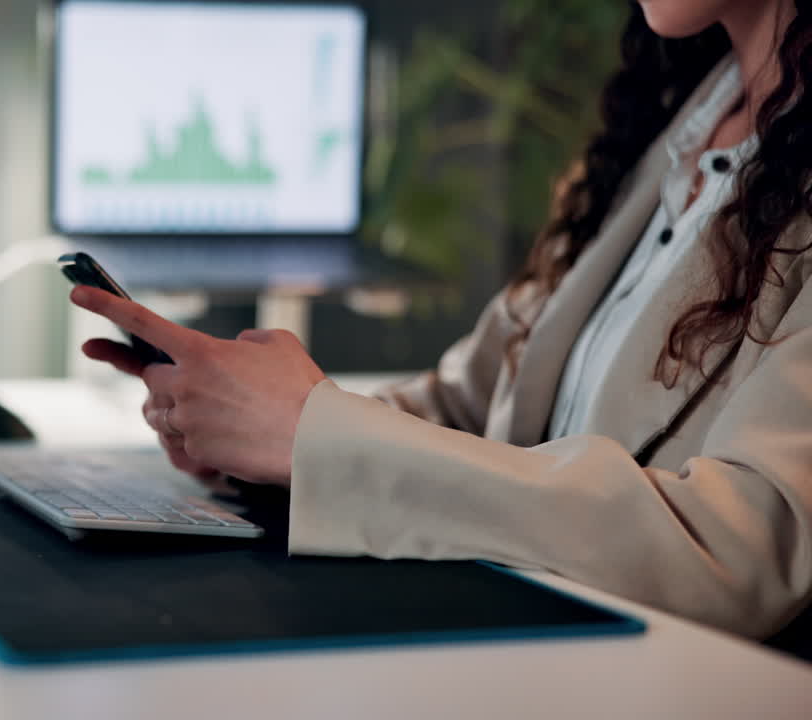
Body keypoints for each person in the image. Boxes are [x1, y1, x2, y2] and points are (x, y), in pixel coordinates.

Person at [69, 0, 812, 644]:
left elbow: (743, 548)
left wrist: (314, 438)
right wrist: (261, 434)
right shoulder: (671, 129)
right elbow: (467, 400)